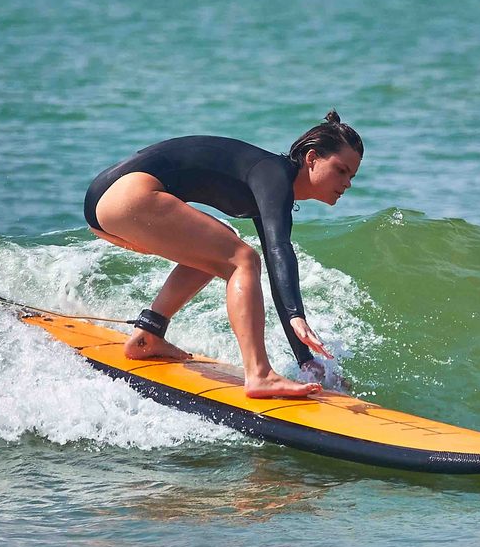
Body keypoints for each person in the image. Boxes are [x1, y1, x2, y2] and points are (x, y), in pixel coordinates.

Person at [82, 112, 363, 399]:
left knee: (221, 249)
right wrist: (296, 315)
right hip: (125, 193)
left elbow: (276, 265)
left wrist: (306, 360)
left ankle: (149, 333)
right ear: (312, 158)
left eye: (352, 176)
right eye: (341, 170)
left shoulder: (274, 187)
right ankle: (260, 375)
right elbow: (280, 250)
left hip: (108, 202)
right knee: (242, 258)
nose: (348, 183)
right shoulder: (273, 175)